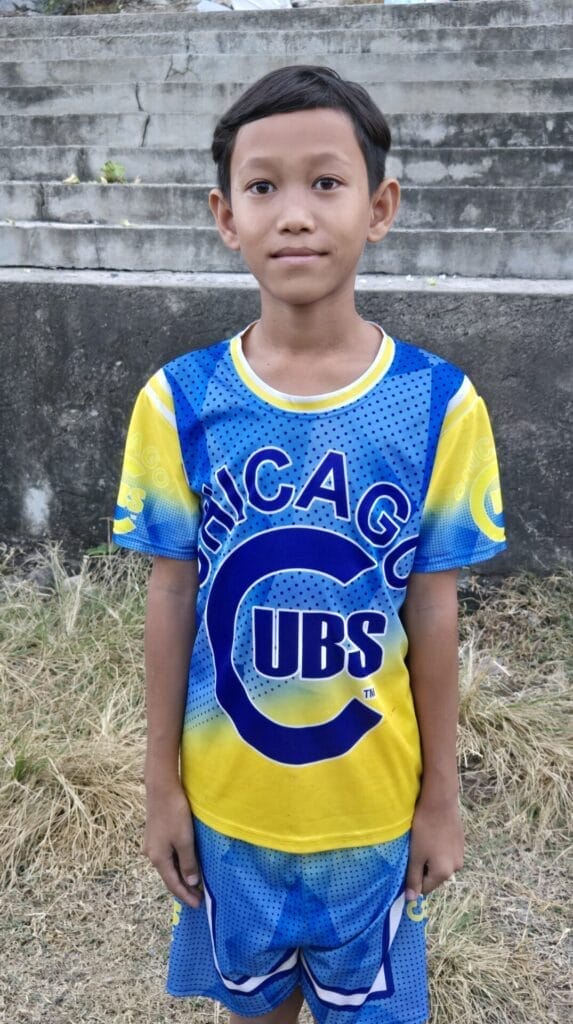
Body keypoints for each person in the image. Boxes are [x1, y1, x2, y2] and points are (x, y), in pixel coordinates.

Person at [112, 65, 506, 1024]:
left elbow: (432, 606)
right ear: (223, 215)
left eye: (325, 183)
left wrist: (440, 799)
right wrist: (161, 784)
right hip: (227, 809)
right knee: (254, 1011)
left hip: (371, 811)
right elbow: (171, 597)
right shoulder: (178, 400)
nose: (294, 213)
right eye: (263, 187)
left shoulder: (437, 406)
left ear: (380, 208)